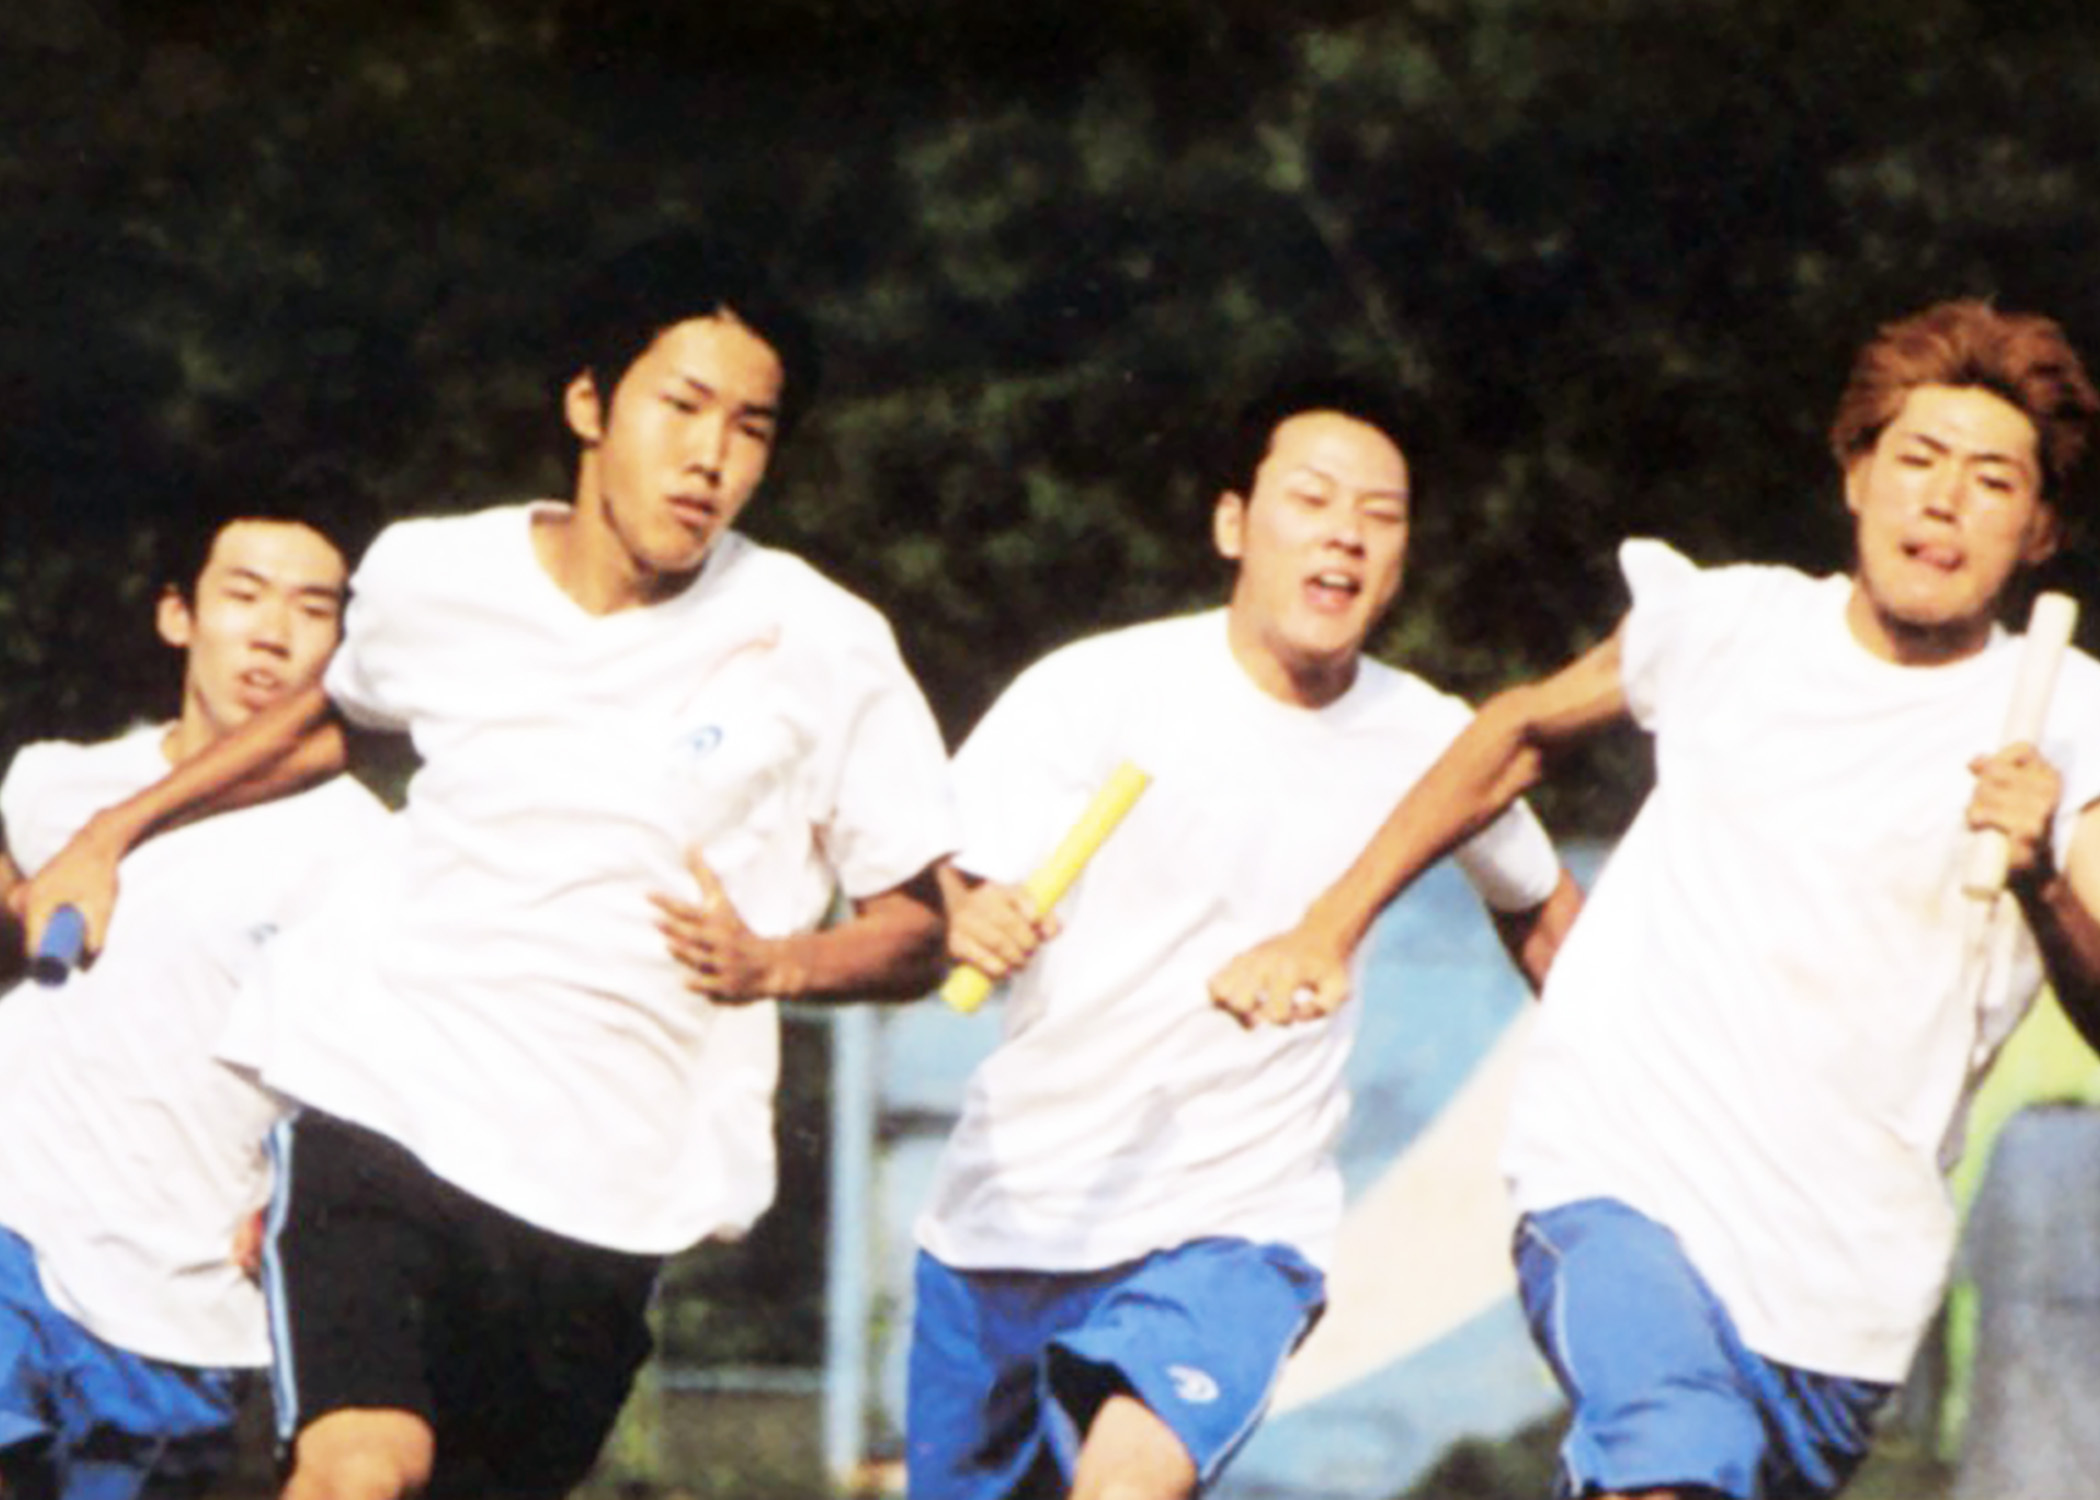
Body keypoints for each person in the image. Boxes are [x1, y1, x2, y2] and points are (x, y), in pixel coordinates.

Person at [11, 234, 958, 1500]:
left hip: (608, 1190)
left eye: (751, 429)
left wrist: (775, 963)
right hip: (385, 1106)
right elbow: (332, 720)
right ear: (590, 404)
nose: (710, 457)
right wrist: (110, 833)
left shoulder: (825, 644)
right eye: (681, 407)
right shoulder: (435, 573)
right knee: (359, 1470)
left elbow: (920, 929)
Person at [1207, 300, 2100, 1500]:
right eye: (1917, 460)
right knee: (1671, 1469)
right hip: (1623, 1177)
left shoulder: (2068, 721)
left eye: (1991, 482)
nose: (1942, 501)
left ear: (2040, 530)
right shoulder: (1731, 627)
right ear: (1855, 476)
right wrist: (1331, 924)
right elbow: (1518, 730)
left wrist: (2040, 880)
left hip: (1845, 1287)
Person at [908, 377, 1585, 1500]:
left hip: (1234, 1224)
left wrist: (1660, 1083)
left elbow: (1543, 914)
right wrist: (961, 910)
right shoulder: (1097, 687)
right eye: (1312, 500)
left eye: (1379, 514)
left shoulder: (1431, 739)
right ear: (1233, 524)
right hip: (1012, 1214)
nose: (1345, 534)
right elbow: (936, 876)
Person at [0, 496, 388, 1500]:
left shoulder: (366, 850)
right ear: (179, 614)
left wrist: (310, 1190)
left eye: (313, 609)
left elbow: (386, 1078)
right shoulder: (53, 783)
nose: (272, 633)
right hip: (15, 1234)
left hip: (177, 1306)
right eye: (244, 595)